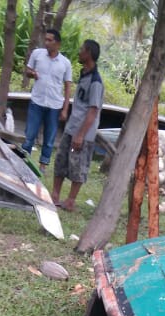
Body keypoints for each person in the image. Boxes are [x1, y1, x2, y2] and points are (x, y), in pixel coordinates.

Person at [52, 40, 103, 212]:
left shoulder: (96, 81)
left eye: (81, 49)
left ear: (88, 53)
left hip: (83, 133)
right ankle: (55, 195)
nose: (79, 52)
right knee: (61, 161)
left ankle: (71, 200)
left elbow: (93, 111)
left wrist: (81, 135)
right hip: (71, 127)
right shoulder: (84, 75)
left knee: (78, 166)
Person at [22, 29, 72, 174]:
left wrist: (65, 109)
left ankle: (42, 167)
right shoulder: (37, 54)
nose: (47, 43)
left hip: (54, 105)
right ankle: (24, 162)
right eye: (46, 40)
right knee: (30, 134)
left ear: (57, 43)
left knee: (49, 138)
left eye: (50, 40)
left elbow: (68, 86)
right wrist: (31, 73)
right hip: (37, 102)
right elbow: (27, 71)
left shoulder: (65, 63)